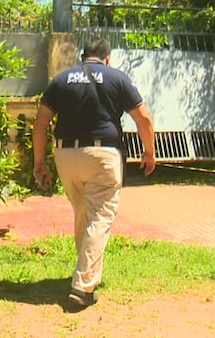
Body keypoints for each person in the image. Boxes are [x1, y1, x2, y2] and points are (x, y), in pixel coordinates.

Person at [32, 37, 156, 308]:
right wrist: (149, 152)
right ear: (107, 58)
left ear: (82, 56)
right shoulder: (118, 78)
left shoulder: (61, 80)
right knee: (99, 217)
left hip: (66, 155)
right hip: (102, 155)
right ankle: (83, 286)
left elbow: (41, 123)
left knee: (83, 213)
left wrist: (39, 163)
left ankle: (83, 271)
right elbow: (143, 118)